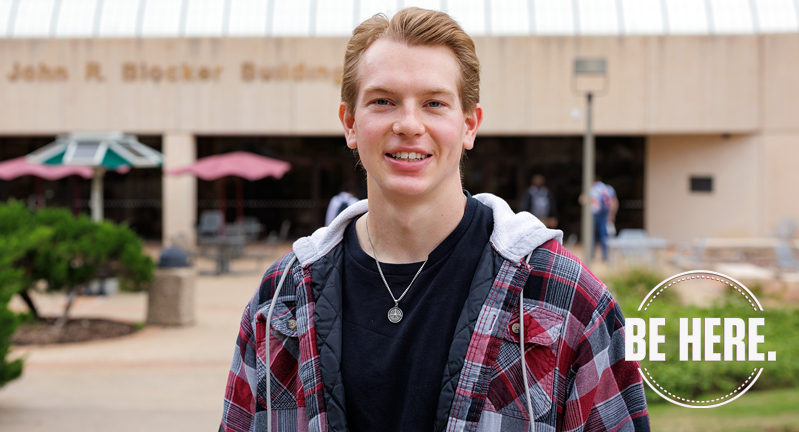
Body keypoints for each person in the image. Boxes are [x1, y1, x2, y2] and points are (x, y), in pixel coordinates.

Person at [220, 8, 648, 432]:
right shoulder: (279, 301)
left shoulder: (566, 296)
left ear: (469, 125)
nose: (409, 124)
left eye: (434, 103)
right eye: (383, 101)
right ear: (350, 123)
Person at [589, 176, 619, 261]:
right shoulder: (609, 189)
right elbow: (614, 202)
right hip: (605, 214)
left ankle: (591, 255)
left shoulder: (592, 188)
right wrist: (612, 214)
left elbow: (583, 200)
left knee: (592, 235)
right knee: (605, 236)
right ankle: (605, 256)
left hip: (595, 215)